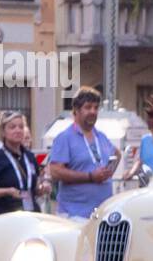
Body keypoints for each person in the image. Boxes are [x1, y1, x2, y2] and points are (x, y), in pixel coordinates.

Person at [47, 87, 119, 220]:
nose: (93, 111)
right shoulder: (65, 137)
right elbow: (55, 171)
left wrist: (108, 172)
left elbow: (117, 154)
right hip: (74, 214)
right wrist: (90, 176)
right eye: (88, 107)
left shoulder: (101, 136)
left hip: (101, 214)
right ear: (76, 110)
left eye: (96, 108)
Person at [0, 112, 44, 216]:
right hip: (6, 215)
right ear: (3, 132)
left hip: (31, 214)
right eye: (12, 127)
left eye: (21, 127)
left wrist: (43, 188)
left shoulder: (30, 157)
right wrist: (7, 191)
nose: (18, 130)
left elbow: (35, 188)